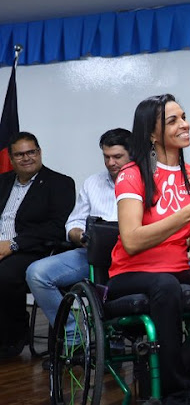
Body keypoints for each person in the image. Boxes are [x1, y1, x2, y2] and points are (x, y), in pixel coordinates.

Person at [107, 94, 190, 405]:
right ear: (152, 134)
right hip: (131, 273)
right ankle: (173, 390)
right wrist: (189, 212)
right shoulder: (132, 174)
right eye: (173, 120)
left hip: (176, 271)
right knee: (165, 286)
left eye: (184, 116)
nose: (185, 124)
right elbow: (132, 240)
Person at [26, 128, 131, 351]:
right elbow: (73, 223)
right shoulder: (93, 183)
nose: (111, 163)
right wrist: (81, 236)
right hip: (92, 253)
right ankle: (73, 336)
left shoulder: (147, 182)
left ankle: (116, 336)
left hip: (132, 256)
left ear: (132, 154)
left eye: (117, 157)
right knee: (37, 273)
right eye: (106, 156)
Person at [0, 132, 75, 360]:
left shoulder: (60, 183)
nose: (26, 158)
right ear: (11, 159)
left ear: (39, 152)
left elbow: (55, 227)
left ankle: (12, 336)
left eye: (31, 152)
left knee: (3, 275)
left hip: (33, 251)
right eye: (20, 154)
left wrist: (12, 245)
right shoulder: (2, 182)